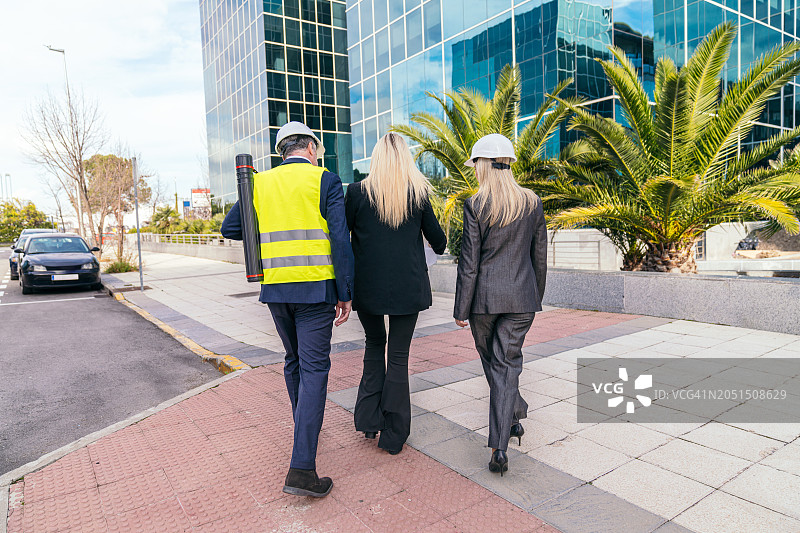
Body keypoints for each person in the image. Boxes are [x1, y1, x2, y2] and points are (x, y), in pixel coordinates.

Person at [221, 121, 354, 498]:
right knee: (315, 369)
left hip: (276, 290)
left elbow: (231, 228)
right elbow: (340, 239)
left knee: (294, 362)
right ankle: (302, 469)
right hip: (315, 289)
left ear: (282, 151)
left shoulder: (259, 183)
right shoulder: (325, 179)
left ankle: (304, 432)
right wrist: (346, 292)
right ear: (310, 148)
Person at [345, 133, 447, 455]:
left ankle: (368, 420)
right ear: (406, 160)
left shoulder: (357, 193)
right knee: (399, 356)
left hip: (368, 288)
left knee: (374, 345)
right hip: (407, 288)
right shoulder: (417, 195)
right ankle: (394, 435)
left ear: (376, 159)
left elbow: (342, 236)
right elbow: (440, 242)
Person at [453, 133, 547, 476]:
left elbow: (470, 262)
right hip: (521, 299)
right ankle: (513, 412)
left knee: (496, 363)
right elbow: (540, 257)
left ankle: (499, 448)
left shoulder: (476, 204)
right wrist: (534, 296)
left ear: (483, 165)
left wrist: (461, 308)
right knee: (504, 365)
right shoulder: (532, 202)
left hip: (484, 302)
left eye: (475, 164)